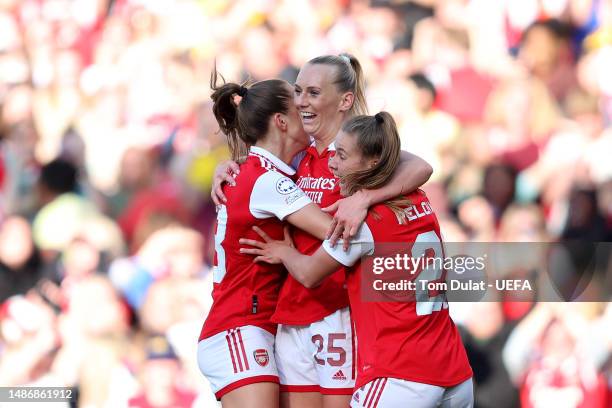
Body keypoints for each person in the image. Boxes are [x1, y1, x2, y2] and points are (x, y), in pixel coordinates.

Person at [212, 53, 433, 408]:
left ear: (345, 100)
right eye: (298, 92)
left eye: (313, 93)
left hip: (339, 315)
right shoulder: (300, 155)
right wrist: (231, 164)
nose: (302, 101)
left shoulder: (356, 151)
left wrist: (366, 196)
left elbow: (420, 166)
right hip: (291, 315)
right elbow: (261, 164)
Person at [240, 112, 474, 408]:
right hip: (454, 372)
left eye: (341, 155)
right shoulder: (419, 199)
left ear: (371, 162)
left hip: (401, 375)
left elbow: (310, 274)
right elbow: (410, 163)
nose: (332, 163)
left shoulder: (363, 224)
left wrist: (284, 252)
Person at [198, 68, 341, 408]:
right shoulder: (267, 182)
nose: (306, 110)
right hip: (239, 326)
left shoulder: (259, 173)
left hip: (253, 327)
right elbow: (334, 231)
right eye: (298, 105)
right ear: (280, 121)